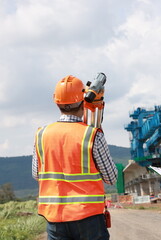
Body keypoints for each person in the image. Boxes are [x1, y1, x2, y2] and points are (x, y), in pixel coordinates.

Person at [32, 75, 118, 240]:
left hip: (55, 218)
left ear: (56, 102)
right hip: (88, 217)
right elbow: (111, 177)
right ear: (83, 100)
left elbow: (37, 175)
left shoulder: (41, 135)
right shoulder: (92, 135)